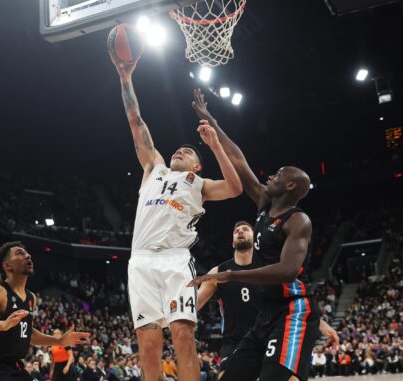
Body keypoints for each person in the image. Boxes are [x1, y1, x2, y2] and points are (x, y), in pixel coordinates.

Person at [111, 47, 243, 381]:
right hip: (140, 260)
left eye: (187, 152)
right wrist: (125, 77)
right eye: (178, 149)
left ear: (196, 165)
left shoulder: (199, 184)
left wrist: (214, 144)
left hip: (174, 260)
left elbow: (235, 188)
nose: (179, 151)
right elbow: (135, 121)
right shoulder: (153, 167)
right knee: (148, 342)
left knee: (182, 334)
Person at [188, 89, 333, 381]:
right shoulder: (264, 205)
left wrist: (230, 276)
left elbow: (288, 270)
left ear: (291, 186)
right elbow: (239, 161)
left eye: (278, 175)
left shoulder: (298, 221)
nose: (270, 177)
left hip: (292, 310)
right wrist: (212, 121)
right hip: (266, 313)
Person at [0, 242, 89, 381]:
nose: (28, 255)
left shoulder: (31, 298)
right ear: (7, 266)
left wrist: (59, 341)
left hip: (15, 366)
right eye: (20, 253)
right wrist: (3, 325)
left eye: (27, 253)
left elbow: (28, 333)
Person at [196, 221, 261, 373]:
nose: (240, 231)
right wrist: (170, 315)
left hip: (266, 337)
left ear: (256, 239)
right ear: (233, 243)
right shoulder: (217, 273)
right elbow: (194, 304)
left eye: (245, 230)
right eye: (237, 230)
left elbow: (292, 299)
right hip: (234, 341)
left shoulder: (269, 268)